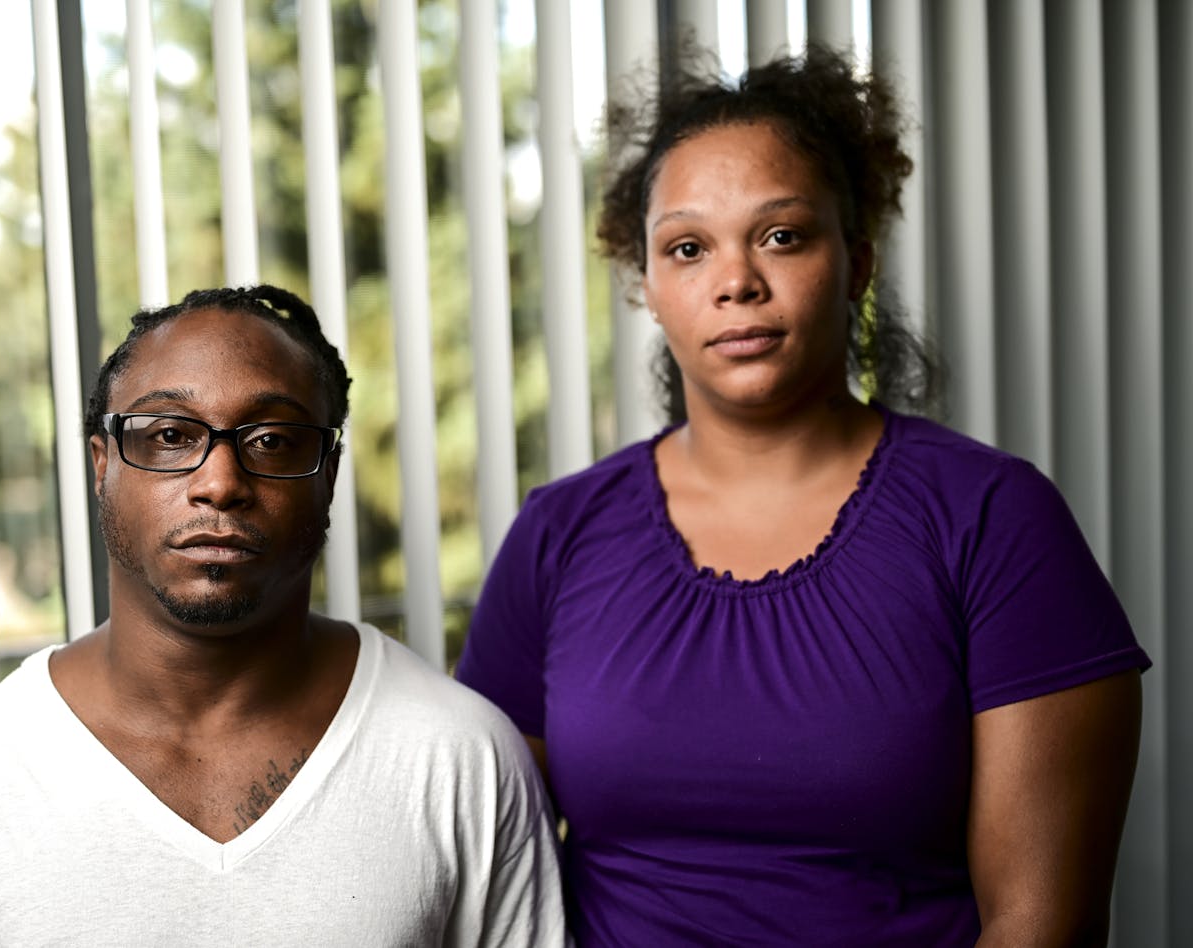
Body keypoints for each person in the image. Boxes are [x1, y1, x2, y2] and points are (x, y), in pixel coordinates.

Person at [456, 46, 1149, 946]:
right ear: (648, 286)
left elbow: (1041, 923)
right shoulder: (560, 533)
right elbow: (484, 870)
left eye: (781, 235)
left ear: (856, 262)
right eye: (688, 247)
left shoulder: (993, 521)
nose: (736, 281)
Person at [0, 285, 566, 947]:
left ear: (329, 477)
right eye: (169, 436)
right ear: (102, 465)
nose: (220, 482)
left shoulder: (460, 758)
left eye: (272, 442)